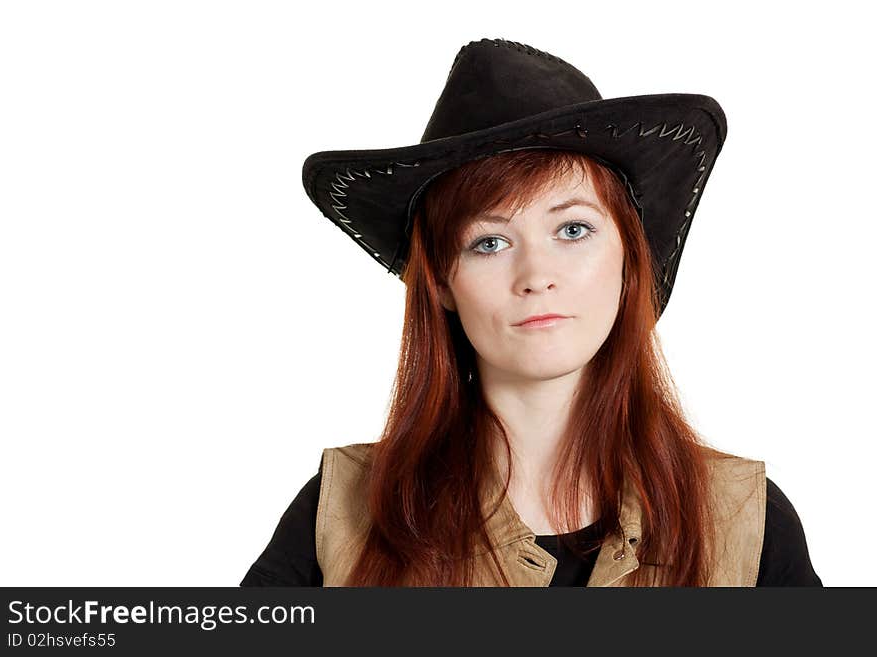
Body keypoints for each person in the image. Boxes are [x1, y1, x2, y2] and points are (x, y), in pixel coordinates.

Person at [241, 37, 822, 587]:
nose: (536, 276)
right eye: (489, 242)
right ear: (442, 282)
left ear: (629, 258)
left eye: (573, 229)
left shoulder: (747, 521)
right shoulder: (342, 512)